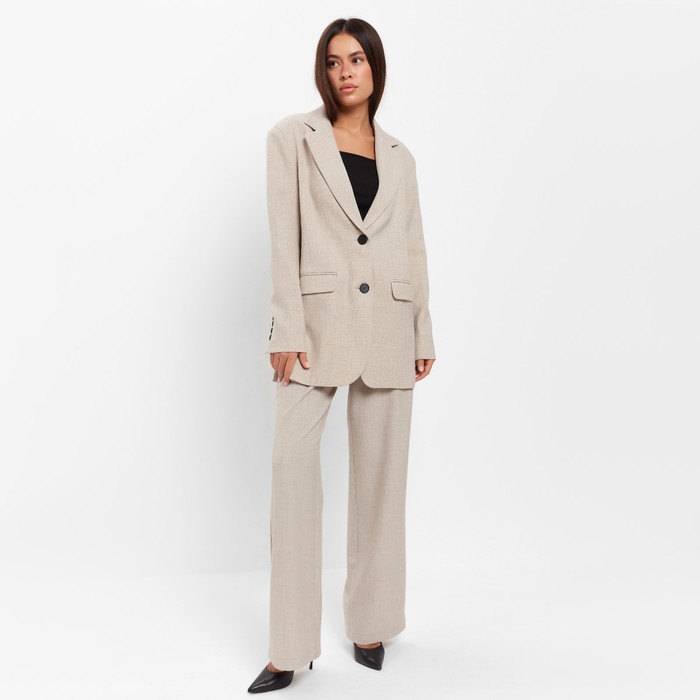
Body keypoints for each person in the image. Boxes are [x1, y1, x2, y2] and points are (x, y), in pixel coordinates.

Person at [248, 16, 436, 694]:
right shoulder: (291, 139)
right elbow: (283, 237)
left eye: (356, 59)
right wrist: (285, 328)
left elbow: (412, 246)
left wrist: (421, 329)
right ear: (322, 71)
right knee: (291, 475)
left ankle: (372, 623)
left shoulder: (401, 157)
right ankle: (289, 647)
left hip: (388, 326)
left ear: (376, 68)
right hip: (313, 329)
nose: (345, 72)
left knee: (382, 485)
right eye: (333, 61)